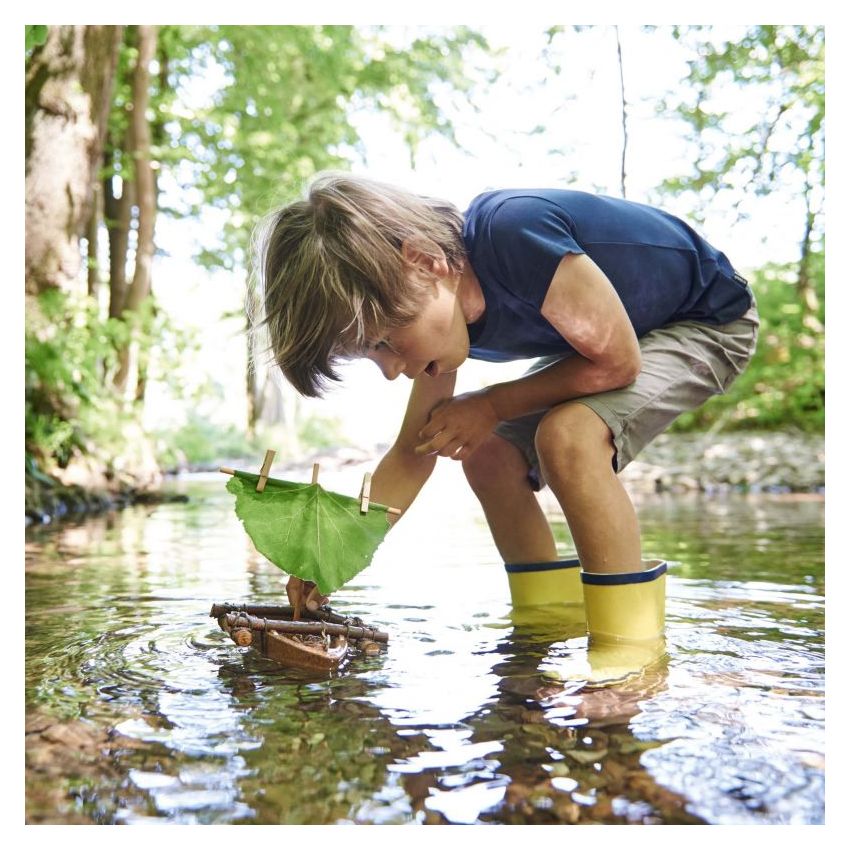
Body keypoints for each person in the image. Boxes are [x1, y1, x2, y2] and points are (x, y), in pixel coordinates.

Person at [251, 172, 759, 684]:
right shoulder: (440, 311)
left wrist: (492, 404)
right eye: (370, 355)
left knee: (568, 436)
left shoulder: (515, 232)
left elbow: (618, 363)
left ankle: (631, 653)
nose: (389, 370)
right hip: (612, 344)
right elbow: (413, 453)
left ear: (425, 262)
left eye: (385, 341)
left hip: (705, 322)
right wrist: (332, 554)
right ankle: (549, 623)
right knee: (487, 451)